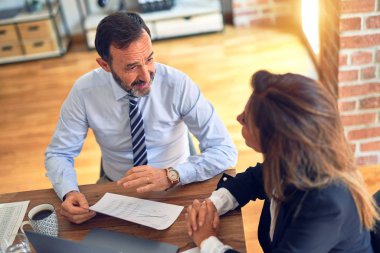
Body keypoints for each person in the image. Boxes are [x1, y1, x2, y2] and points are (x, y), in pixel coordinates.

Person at [44, 11, 237, 224]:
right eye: (132, 66)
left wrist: (171, 175)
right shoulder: (84, 92)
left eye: (149, 59)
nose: (146, 75)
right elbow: (59, 153)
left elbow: (225, 150)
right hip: (117, 189)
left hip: (178, 183)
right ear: (105, 65)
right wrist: (69, 192)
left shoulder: (178, 85)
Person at [186, 70, 379, 252]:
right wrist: (212, 205)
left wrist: (207, 240)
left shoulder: (325, 205)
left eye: (246, 119)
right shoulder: (292, 159)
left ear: (274, 141)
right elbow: (254, 179)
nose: (238, 118)